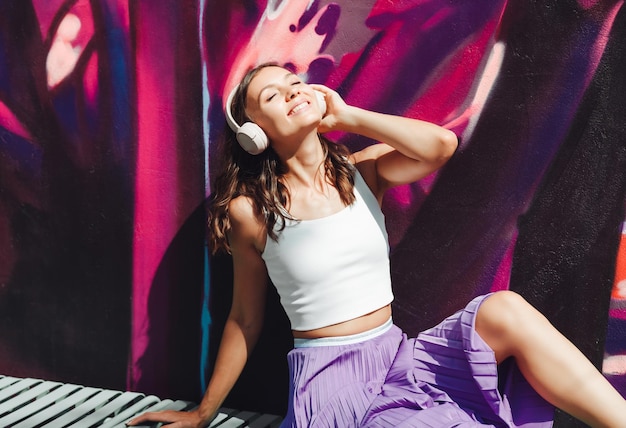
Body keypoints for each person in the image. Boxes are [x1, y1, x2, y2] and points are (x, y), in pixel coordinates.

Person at [129, 63, 626, 428]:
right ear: (255, 134)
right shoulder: (250, 211)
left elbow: (441, 146)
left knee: (506, 311)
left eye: (295, 83)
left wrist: (350, 115)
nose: (293, 92)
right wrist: (204, 411)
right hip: (331, 386)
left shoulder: (361, 172)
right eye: (274, 96)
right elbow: (244, 318)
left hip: (398, 357)